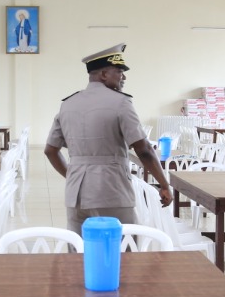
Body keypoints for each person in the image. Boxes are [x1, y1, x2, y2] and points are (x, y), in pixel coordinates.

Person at [44, 44, 172, 234]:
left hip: (75, 195)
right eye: (119, 71)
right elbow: (143, 149)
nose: (124, 77)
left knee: (79, 252)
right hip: (111, 190)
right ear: (104, 74)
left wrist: (72, 175)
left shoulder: (68, 104)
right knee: (122, 250)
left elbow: (50, 150)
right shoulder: (121, 102)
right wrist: (164, 184)